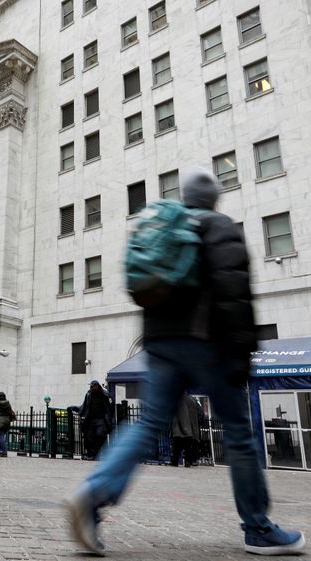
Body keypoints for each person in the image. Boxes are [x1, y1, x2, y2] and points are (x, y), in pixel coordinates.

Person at [66, 169, 305, 556]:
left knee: (147, 425)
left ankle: (94, 493)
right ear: (213, 199)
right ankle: (258, 529)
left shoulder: (166, 227)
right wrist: (243, 353)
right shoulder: (220, 226)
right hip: (207, 344)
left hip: (159, 345)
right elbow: (233, 293)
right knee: (241, 435)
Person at [79, 380, 113, 460]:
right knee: (89, 436)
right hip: (91, 419)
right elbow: (85, 406)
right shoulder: (88, 394)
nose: (90, 387)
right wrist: (80, 413)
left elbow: (110, 406)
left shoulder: (105, 394)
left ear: (97, 386)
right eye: (90, 386)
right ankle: (92, 454)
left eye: (92, 386)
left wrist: (109, 417)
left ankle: (101, 453)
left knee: (100, 435)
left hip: (101, 418)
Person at [171, 393, 201, 467]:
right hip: (190, 427)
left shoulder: (175, 398)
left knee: (177, 446)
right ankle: (188, 462)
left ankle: (175, 462)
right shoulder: (193, 400)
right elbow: (201, 413)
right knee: (188, 447)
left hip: (178, 426)